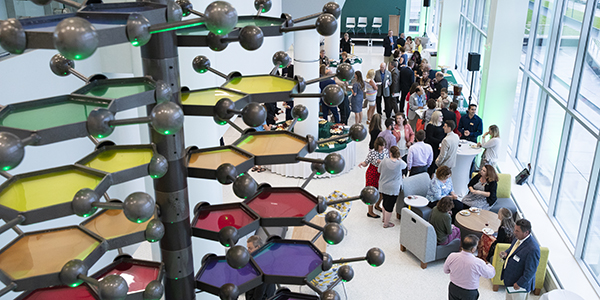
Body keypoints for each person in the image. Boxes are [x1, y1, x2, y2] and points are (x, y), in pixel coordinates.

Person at [444, 235, 496, 300]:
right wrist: (488, 264)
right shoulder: (478, 262)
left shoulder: (452, 256)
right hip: (469, 292)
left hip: (453, 288)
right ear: (473, 249)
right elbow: (490, 274)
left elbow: (446, 271)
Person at [500, 219, 540, 300]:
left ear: (526, 233)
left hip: (518, 286)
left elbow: (531, 271)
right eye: (515, 230)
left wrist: (519, 283)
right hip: (509, 280)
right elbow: (511, 250)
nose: (514, 232)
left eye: (517, 231)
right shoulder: (517, 238)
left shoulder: (533, 249)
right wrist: (505, 253)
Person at [358, 137, 389, 218]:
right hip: (372, 173)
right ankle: (370, 212)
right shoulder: (372, 152)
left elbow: (388, 161)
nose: (382, 147)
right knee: (371, 193)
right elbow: (366, 162)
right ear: (377, 145)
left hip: (382, 174)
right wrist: (362, 164)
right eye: (381, 146)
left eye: (384, 145)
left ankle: (377, 205)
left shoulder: (386, 151)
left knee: (381, 192)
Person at [378, 146, 406, 228]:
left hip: (383, 185)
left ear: (390, 153)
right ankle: (386, 223)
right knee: (390, 206)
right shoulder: (400, 163)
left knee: (385, 202)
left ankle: (384, 218)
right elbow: (405, 166)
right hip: (393, 188)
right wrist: (399, 159)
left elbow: (379, 170)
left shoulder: (384, 161)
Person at [425, 111, 445, 175]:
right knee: (432, 162)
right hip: (433, 147)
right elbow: (430, 137)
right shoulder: (430, 126)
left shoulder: (443, 124)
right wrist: (440, 142)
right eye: (440, 116)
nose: (442, 117)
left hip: (441, 146)